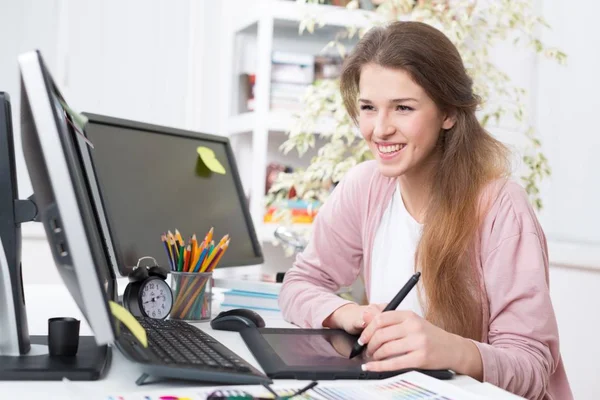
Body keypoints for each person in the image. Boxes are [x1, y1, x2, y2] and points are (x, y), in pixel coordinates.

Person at [278, 21, 572, 400]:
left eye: (402, 108)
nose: (379, 129)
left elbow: (532, 368)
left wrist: (451, 350)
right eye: (368, 108)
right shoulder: (365, 185)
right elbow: (298, 284)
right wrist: (348, 314)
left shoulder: (501, 206)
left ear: (448, 113)